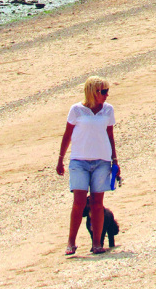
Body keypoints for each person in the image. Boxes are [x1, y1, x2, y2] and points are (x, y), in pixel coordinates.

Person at [56, 75, 120, 255]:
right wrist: (60, 158)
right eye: (104, 91)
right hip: (79, 161)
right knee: (79, 202)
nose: (107, 95)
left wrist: (115, 160)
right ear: (93, 92)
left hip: (102, 161)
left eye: (107, 91)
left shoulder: (108, 110)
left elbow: (110, 136)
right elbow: (67, 134)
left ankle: (97, 243)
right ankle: (71, 242)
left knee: (98, 204)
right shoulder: (76, 110)